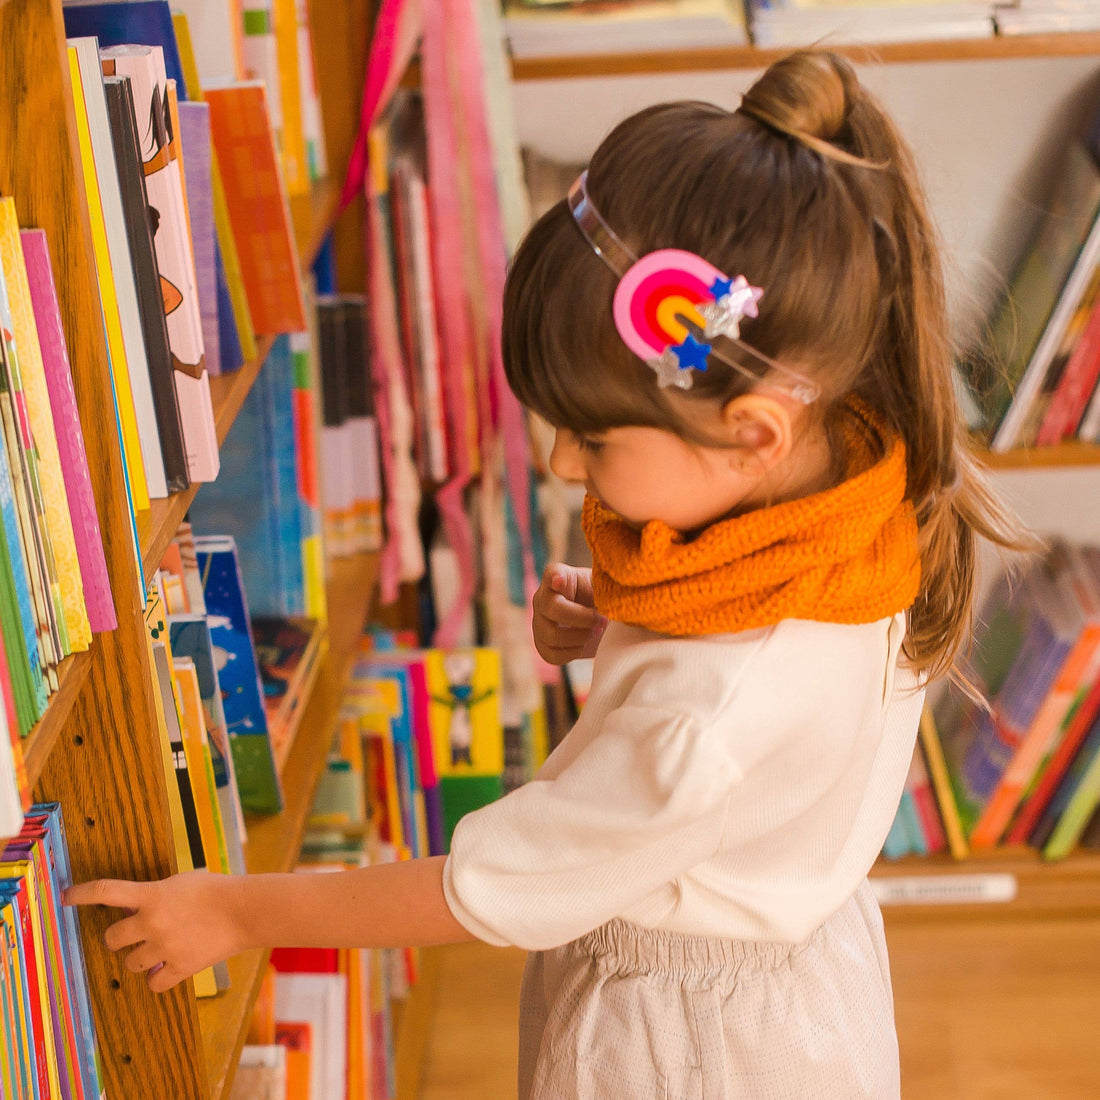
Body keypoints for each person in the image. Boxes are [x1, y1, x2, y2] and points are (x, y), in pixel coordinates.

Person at [67, 49, 1030, 1098]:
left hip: (681, 1054)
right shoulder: (864, 477)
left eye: (595, 436)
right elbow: (747, 720)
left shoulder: (698, 719)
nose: (563, 463)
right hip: (801, 990)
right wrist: (625, 621)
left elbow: (471, 887)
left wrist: (234, 910)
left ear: (751, 433)